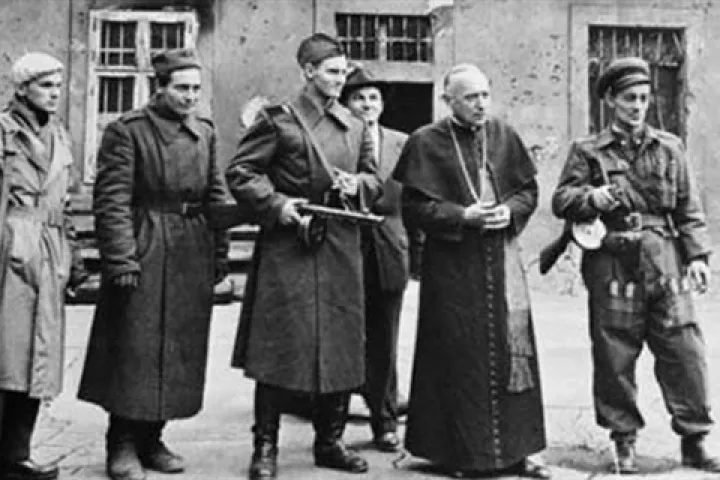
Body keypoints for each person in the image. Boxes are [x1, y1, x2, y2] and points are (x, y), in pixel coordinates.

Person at [551, 57, 719, 474]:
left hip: (665, 259)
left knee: (684, 350)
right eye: (629, 98)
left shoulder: (670, 147)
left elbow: (688, 209)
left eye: (644, 98)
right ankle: (623, 440)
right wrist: (591, 198)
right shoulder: (588, 151)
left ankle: (694, 439)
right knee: (615, 353)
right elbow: (561, 200)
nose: (638, 106)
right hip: (613, 261)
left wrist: (698, 257)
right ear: (610, 100)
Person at [226, 33, 382, 479]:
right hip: (289, 244)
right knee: (278, 348)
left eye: (344, 72)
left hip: (340, 246)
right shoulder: (279, 120)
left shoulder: (355, 126)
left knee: (341, 346)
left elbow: (374, 179)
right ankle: (265, 447)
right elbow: (241, 172)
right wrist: (278, 205)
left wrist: (358, 186)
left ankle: (330, 443)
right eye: (332, 71)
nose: (340, 79)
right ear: (309, 71)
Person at [77, 48, 229, 480]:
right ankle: (122, 442)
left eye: (196, 89)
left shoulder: (205, 131)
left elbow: (216, 194)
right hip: (145, 243)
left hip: (191, 247)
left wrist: (219, 253)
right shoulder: (128, 131)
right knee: (135, 348)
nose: (190, 97)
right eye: (182, 88)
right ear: (159, 88)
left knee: (177, 348)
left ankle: (153, 438)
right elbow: (112, 200)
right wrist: (122, 258)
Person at [393, 63, 549, 479]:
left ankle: (519, 451)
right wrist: (462, 215)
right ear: (449, 101)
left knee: (513, 354)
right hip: (452, 267)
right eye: (471, 97)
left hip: (502, 260)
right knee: (458, 356)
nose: (481, 104)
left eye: (485, 95)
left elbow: (527, 191)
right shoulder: (425, 142)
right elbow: (414, 208)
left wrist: (508, 212)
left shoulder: (503, 135)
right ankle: (461, 454)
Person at [0, 52, 86, 480]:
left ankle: (17, 455)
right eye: (45, 85)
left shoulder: (60, 135)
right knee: (7, 355)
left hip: (50, 252)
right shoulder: (4, 132)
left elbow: (63, 203)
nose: (55, 93)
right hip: (9, 248)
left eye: (57, 85)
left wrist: (75, 255)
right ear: (22, 89)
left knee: (39, 358)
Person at [339, 66, 408, 452]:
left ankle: (384, 421)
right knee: (343, 335)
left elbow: (412, 198)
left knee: (385, 338)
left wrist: (414, 251)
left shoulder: (402, 143)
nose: (367, 105)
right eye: (358, 98)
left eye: (373, 98)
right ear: (346, 105)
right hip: (344, 247)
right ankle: (330, 426)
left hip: (389, 245)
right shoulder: (337, 141)